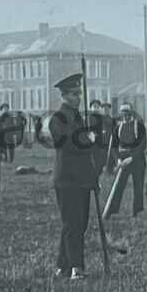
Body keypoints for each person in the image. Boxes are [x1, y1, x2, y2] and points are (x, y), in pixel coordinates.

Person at [49, 73, 100, 280]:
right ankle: (77, 269)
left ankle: (63, 266)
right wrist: (87, 139)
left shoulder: (78, 117)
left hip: (82, 180)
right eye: (74, 94)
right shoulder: (57, 119)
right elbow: (67, 145)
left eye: (79, 93)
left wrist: (93, 180)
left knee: (78, 224)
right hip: (67, 180)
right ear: (63, 96)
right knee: (73, 224)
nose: (78, 97)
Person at [105, 102, 147, 218]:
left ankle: (137, 211)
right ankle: (112, 210)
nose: (125, 116)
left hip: (137, 159)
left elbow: (142, 146)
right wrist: (118, 159)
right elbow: (113, 146)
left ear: (132, 113)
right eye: (123, 114)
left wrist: (132, 158)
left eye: (127, 113)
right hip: (123, 159)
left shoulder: (139, 126)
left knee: (138, 186)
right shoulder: (118, 128)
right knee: (119, 185)